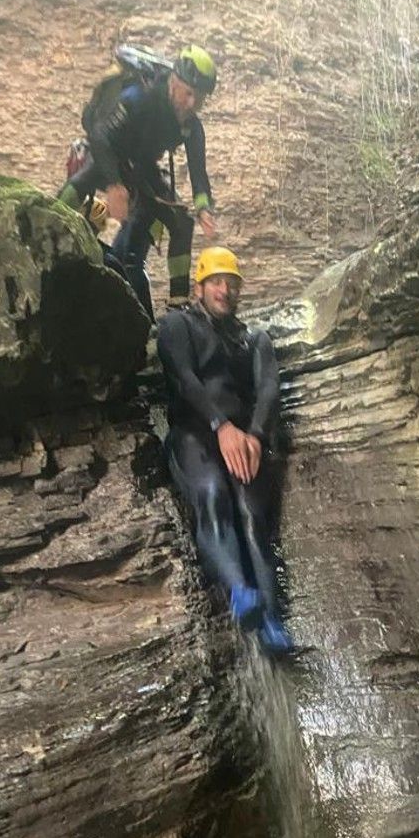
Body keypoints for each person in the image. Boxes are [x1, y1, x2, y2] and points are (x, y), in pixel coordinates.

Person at [158, 246, 294, 653]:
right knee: (213, 495)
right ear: (200, 285)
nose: (225, 290)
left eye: (232, 284)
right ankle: (240, 593)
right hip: (193, 436)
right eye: (217, 282)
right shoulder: (177, 325)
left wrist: (254, 435)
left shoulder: (253, 339)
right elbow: (184, 379)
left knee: (254, 517)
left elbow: (270, 388)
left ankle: (270, 621)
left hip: (244, 441)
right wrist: (220, 426)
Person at [58, 45, 218, 318]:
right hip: (110, 152)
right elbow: (99, 136)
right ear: (174, 82)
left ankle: (178, 303)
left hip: (142, 166)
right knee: (87, 177)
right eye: (188, 94)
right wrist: (114, 184)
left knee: (181, 222)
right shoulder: (140, 96)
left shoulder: (193, 128)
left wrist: (204, 208)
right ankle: (49, 222)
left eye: (199, 98)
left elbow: (198, 175)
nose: (192, 104)